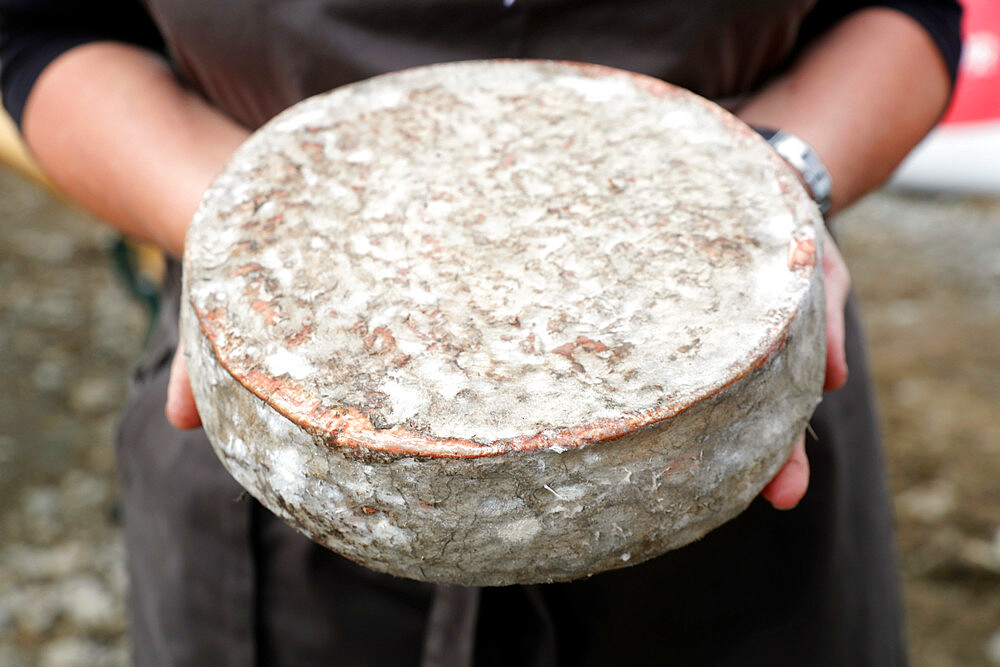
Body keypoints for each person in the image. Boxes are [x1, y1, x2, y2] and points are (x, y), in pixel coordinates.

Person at [0, 1, 961, 664]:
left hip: (736, 454)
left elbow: (903, 10)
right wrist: (248, 233)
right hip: (288, 471)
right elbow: (46, 31)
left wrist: (781, 181)